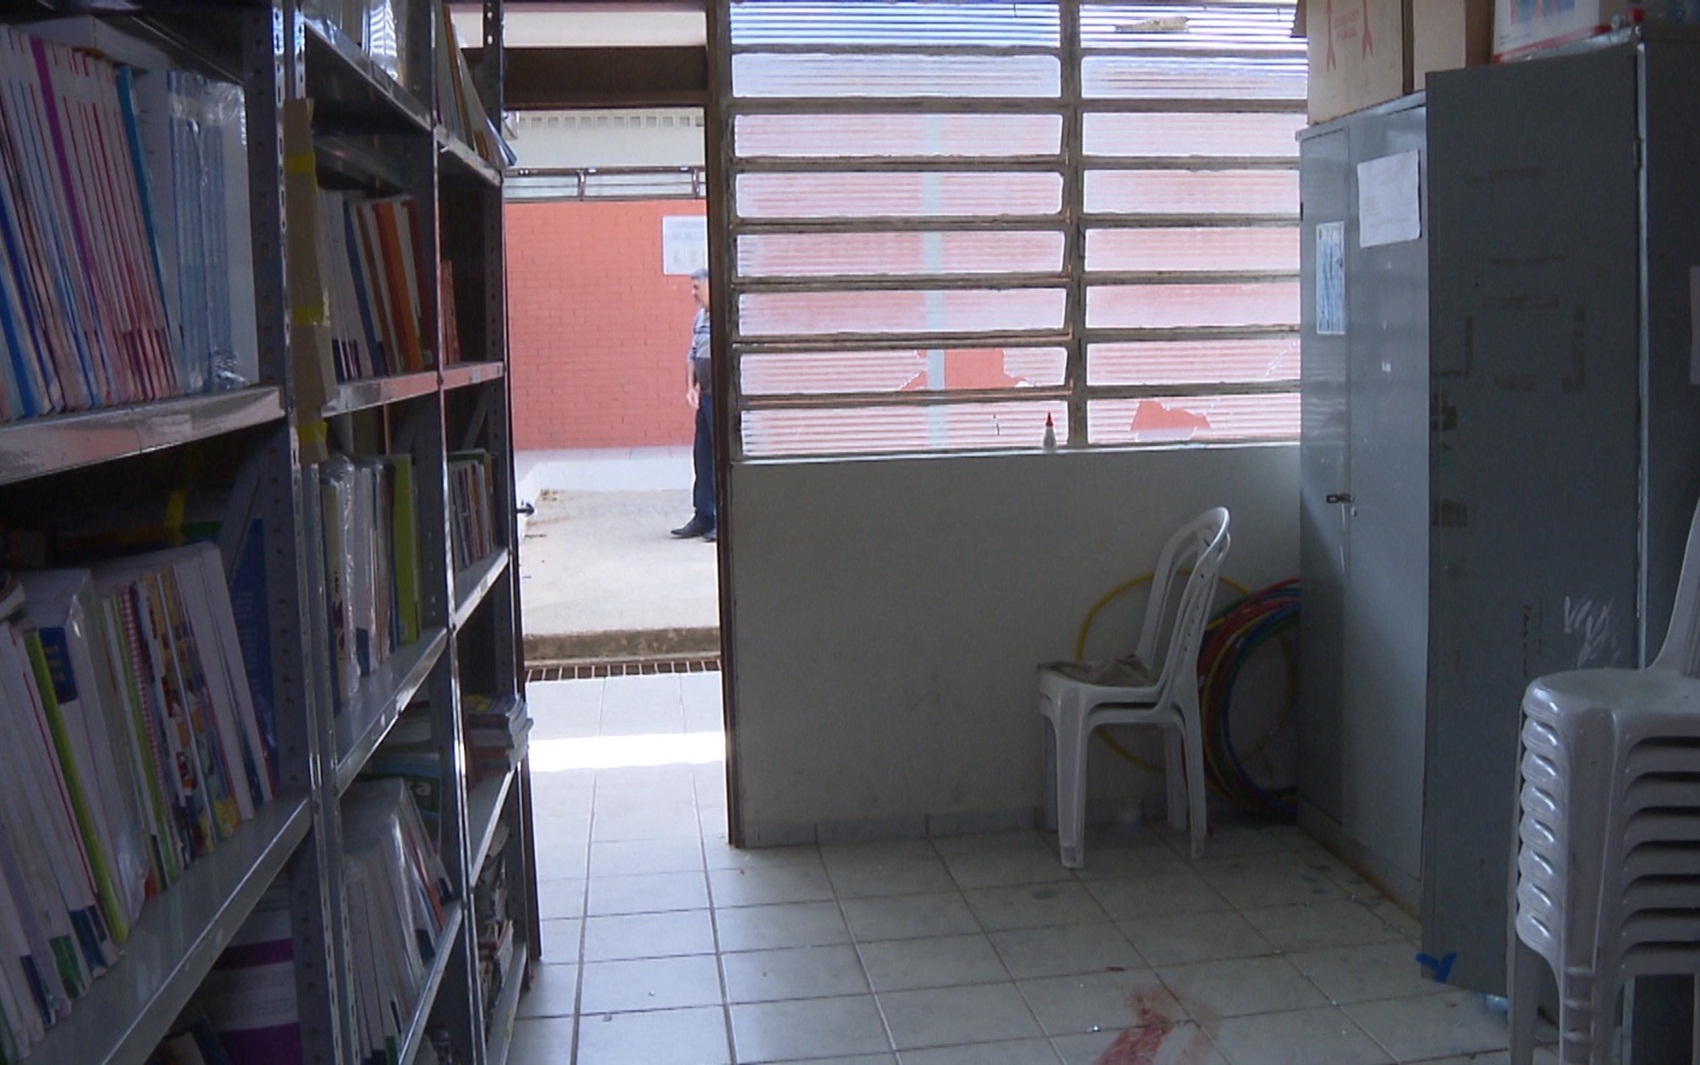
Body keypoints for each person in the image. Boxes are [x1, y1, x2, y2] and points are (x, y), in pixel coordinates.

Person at [670, 267, 716, 542]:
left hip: (722, 398)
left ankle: (721, 520)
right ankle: (703, 516)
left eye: (697, 287)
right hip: (706, 395)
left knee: (718, 458)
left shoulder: (727, 315)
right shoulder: (700, 318)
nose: (693, 293)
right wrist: (691, 387)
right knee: (702, 456)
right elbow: (692, 354)